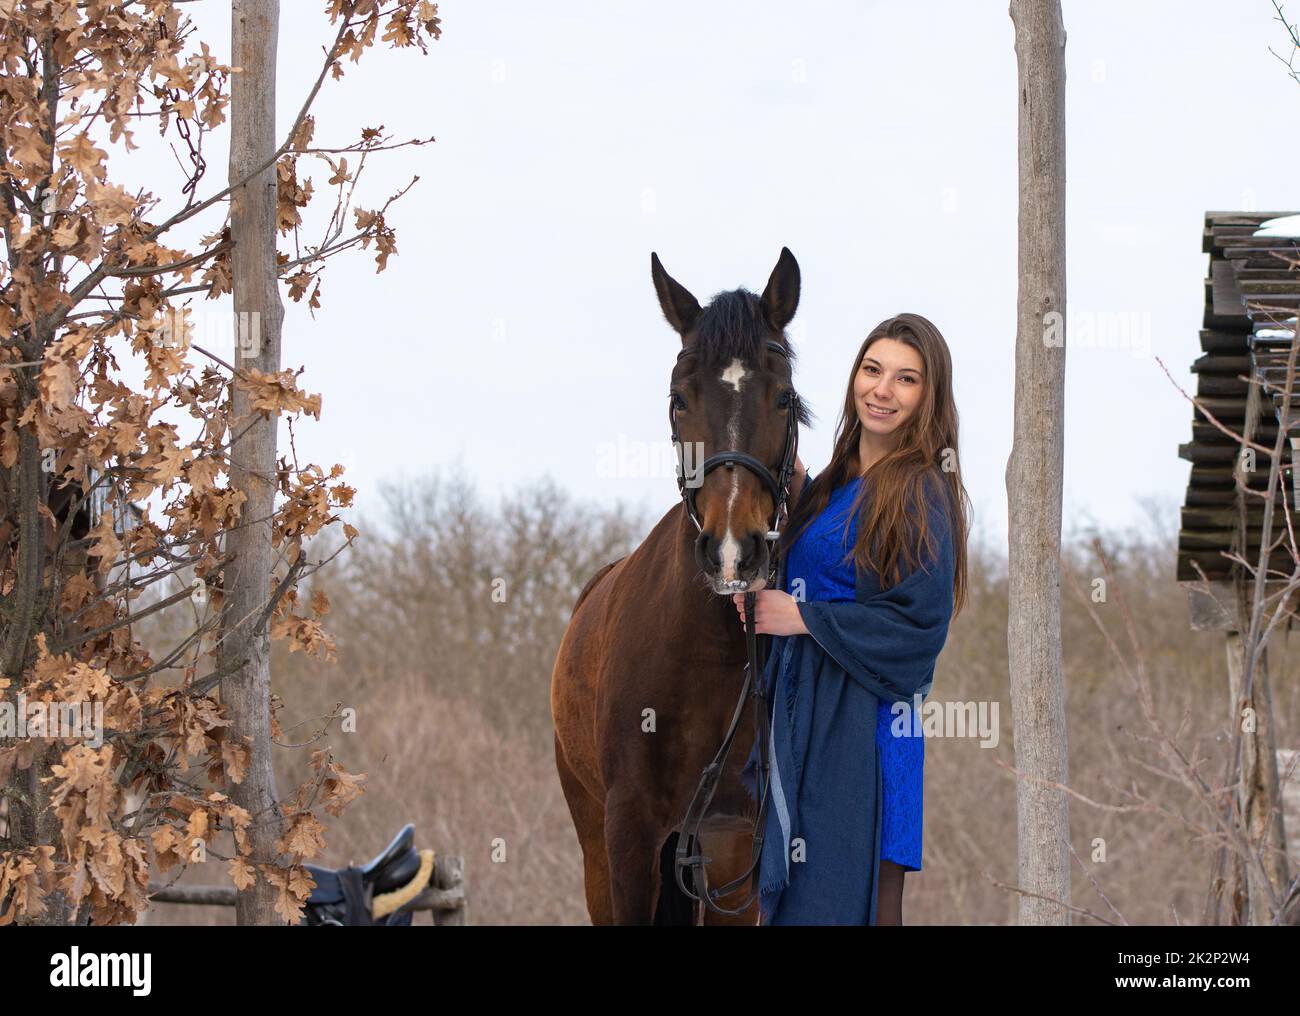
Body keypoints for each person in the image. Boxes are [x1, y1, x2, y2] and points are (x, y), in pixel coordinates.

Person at [736, 312, 970, 925]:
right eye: (872, 370)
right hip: (801, 718)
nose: (882, 390)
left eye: (906, 379)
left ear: (928, 397)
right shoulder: (832, 487)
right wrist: (764, 596)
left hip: (865, 732)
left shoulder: (919, 490)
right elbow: (805, 577)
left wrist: (803, 618)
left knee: (842, 902)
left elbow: (918, 631)